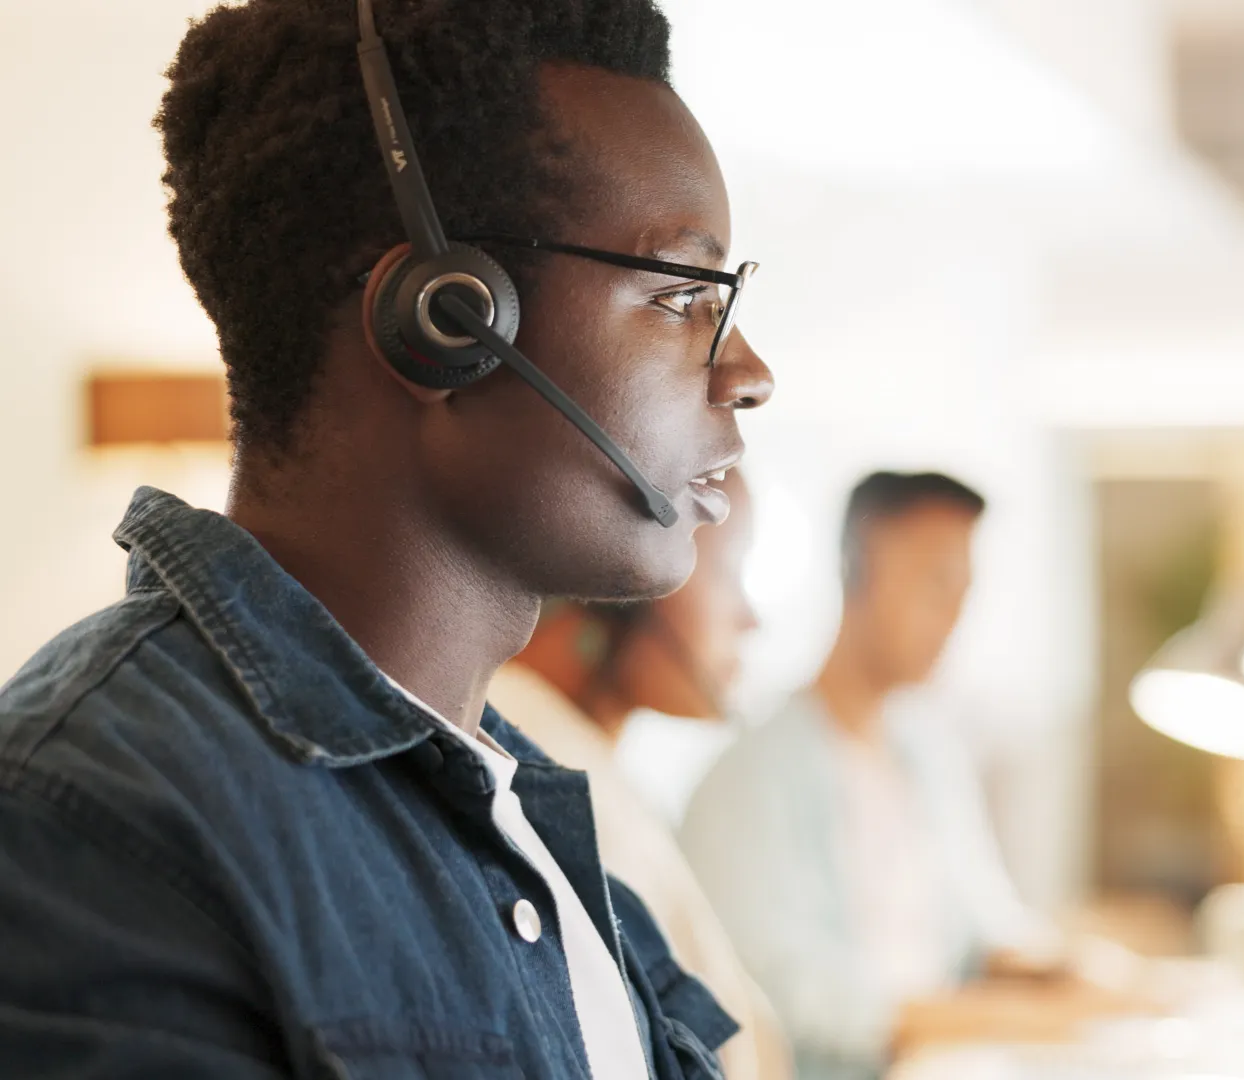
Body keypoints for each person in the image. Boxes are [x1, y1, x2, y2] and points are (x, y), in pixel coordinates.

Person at [0, 1, 772, 1076]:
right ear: (447, 321)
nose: (749, 374)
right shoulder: (95, 815)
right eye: (686, 295)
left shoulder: (528, 813)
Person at [680, 472, 1055, 1080]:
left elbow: (982, 924)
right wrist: (1005, 1019)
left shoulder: (931, 755)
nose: (955, 616)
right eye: (936, 585)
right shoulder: (748, 779)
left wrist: (1065, 972)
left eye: (965, 590)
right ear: (860, 570)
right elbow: (784, 997)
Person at [497, 469, 792, 1080]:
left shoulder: (586, 761)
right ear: (620, 576)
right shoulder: (542, 763)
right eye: (726, 569)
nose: (749, 618)